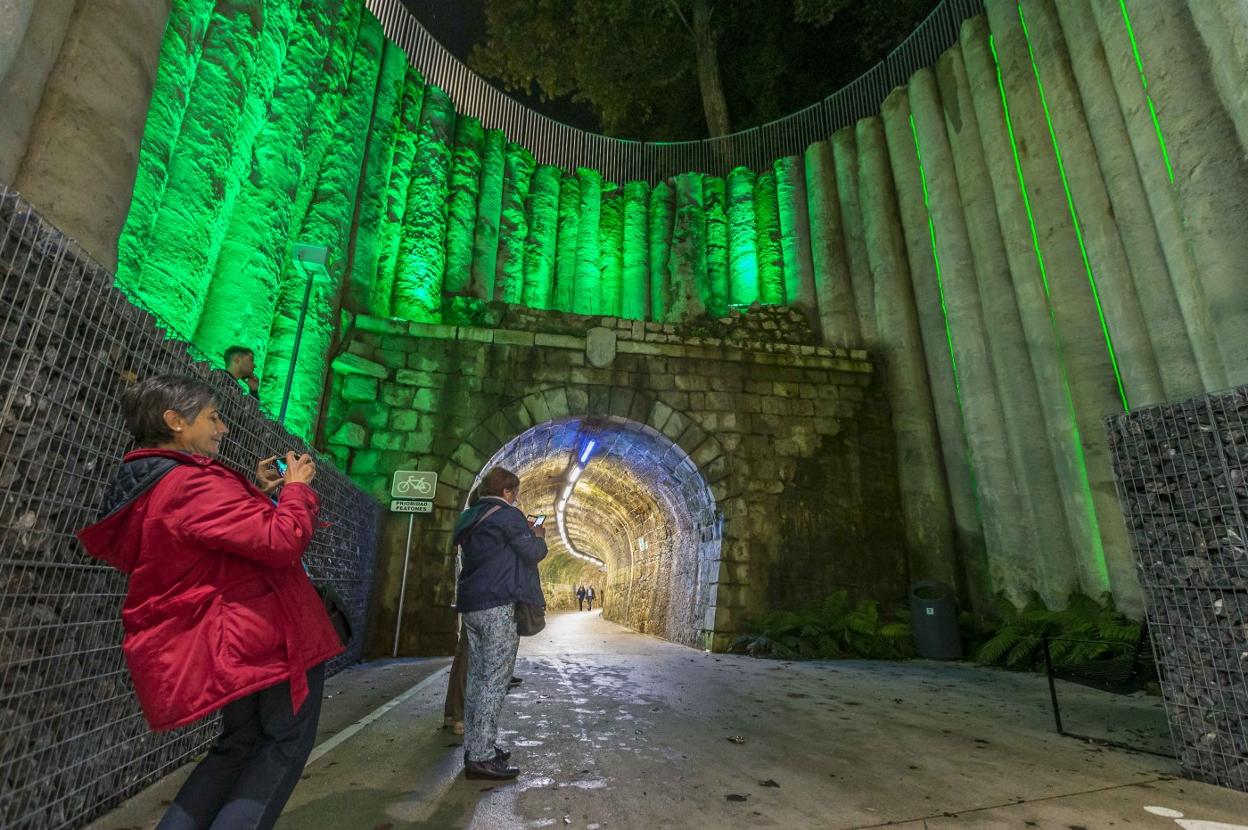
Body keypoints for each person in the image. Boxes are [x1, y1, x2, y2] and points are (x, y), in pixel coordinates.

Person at [77, 374, 342, 829]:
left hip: (238, 636)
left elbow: (215, 541)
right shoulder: (189, 484)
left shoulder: (157, 483)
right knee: (282, 746)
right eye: (213, 417)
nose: (222, 428)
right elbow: (282, 541)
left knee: (237, 746)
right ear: (175, 421)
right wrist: (297, 488)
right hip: (264, 635)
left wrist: (256, 495)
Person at [453, 467, 547, 780]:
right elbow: (532, 552)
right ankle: (481, 758)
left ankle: (477, 746)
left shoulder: (471, 515)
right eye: (515, 492)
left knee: (479, 679)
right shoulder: (508, 515)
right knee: (494, 681)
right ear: (507, 492)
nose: (516, 497)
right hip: (498, 604)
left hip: (472, 605)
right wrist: (538, 535)